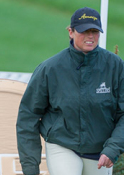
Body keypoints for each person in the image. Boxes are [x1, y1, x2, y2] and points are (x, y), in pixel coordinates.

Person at [16, 7, 124, 175]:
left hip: (101, 150)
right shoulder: (50, 68)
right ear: (70, 32)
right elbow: (28, 115)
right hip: (62, 144)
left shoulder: (116, 66)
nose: (90, 36)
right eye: (84, 31)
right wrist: (30, 168)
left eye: (94, 31)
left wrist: (113, 148)